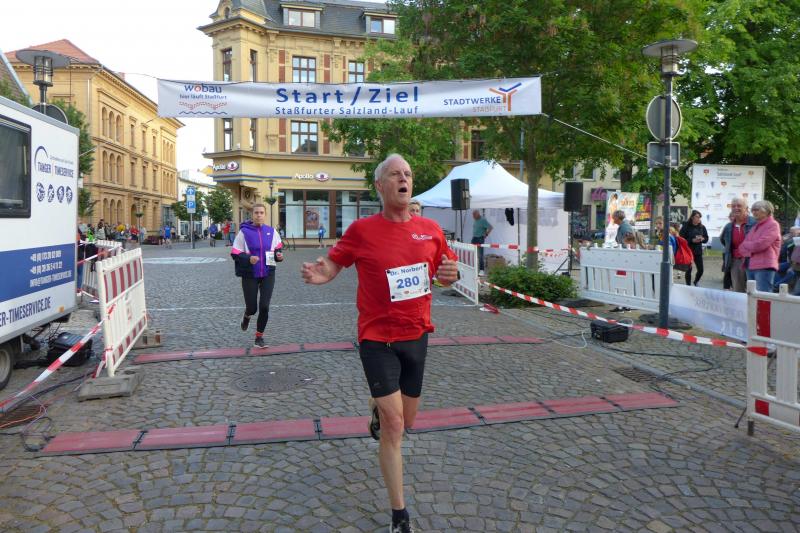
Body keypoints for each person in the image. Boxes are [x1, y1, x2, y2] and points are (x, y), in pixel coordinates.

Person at [301, 154, 459, 533]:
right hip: (376, 338)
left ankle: (377, 404)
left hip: (416, 335)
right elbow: (336, 262)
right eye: (395, 174)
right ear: (380, 185)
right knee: (394, 425)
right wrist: (323, 274)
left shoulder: (430, 230)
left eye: (408, 173)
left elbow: (445, 272)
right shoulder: (362, 230)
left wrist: (450, 275)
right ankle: (399, 515)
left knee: (409, 421)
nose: (404, 178)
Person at [231, 204, 283, 348]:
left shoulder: (272, 232)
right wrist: (249, 258)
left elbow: (277, 250)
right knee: (252, 308)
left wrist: (279, 256)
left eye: (261, 213)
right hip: (250, 273)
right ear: (252, 215)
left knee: (264, 306)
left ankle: (259, 337)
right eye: (256, 213)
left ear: (265, 215)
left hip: (268, 272)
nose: (259, 215)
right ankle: (247, 315)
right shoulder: (244, 232)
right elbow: (235, 253)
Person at [738, 200, 782, 292]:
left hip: (764, 266)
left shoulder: (773, 225)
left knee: (763, 297)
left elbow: (760, 245)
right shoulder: (755, 226)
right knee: (752, 296)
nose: (754, 212)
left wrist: (748, 245)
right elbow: (741, 248)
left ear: (766, 211)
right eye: (753, 210)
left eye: (756, 209)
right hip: (750, 265)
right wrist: (749, 245)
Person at [719, 198, 757, 292]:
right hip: (736, 261)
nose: (736, 208)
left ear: (746, 208)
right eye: (733, 206)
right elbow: (724, 241)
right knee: (738, 290)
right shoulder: (728, 226)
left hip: (753, 260)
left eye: (739, 206)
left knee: (754, 291)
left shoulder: (755, 223)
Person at [679, 210, 709, 286]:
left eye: (699, 217)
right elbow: (681, 238)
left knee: (701, 270)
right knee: (688, 270)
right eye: (697, 217)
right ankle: (688, 285)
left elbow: (706, 238)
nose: (698, 219)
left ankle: (696, 281)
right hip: (688, 251)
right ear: (692, 217)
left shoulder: (702, 227)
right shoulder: (686, 226)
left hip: (698, 251)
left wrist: (702, 239)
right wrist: (692, 240)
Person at [471, 209, 493, 275]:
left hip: (480, 238)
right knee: (472, 252)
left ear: (478, 214)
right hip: (474, 238)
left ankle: (482, 270)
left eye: (474, 215)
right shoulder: (475, 220)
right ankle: (474, 267)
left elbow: (490, 227)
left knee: (480, 255)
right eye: (473, 215)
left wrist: (486, 234)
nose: (473, 217)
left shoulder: (483, 220)